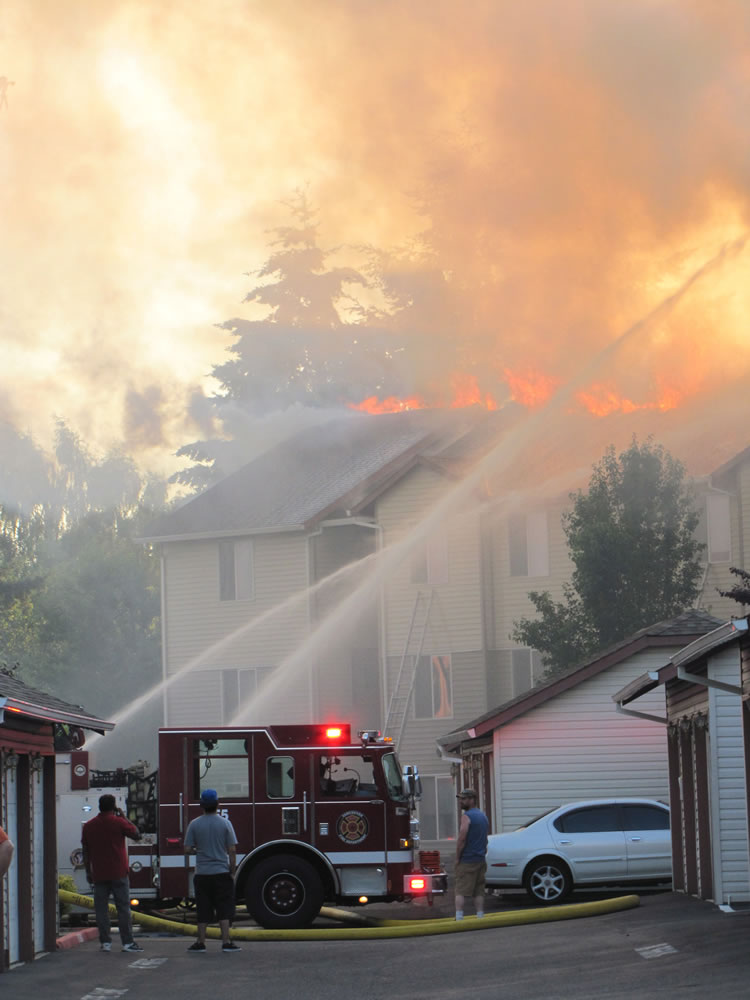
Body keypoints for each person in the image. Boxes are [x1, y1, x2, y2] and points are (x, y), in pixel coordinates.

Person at [81, 794, 144, 953]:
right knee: (123, 909)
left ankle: (106, 943)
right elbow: (137, 835)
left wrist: (89, 871)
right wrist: (124, 817)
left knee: (101, 909)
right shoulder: (119, 822)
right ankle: (128, 943)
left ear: (99, 806)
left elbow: (86, 851)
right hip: (119, 873)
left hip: (99, 873)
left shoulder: (89, 826)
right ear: (114, 806)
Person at [183, 788, 241, 952]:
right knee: (224, 908)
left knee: (203, 908)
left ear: (202, 805)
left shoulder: (194, 824)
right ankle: (226, 942)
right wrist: (232, 871)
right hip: (221, 872)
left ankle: (200, 942)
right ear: (217, 804)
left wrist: (199, 850)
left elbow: (187, 849)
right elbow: (232, 850)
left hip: (202, 873)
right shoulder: (225, 823)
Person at [454, 788, 489, 920]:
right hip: (480, 859)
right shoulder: (483, 816)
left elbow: (462, 838)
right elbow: (485, 838)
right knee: (478, 890)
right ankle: (480, 916)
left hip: (467, 860)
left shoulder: (466, 817)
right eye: (461, 799)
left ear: (471, 800)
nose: (461, 802)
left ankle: (459, 917)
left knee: (460, 890)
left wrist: (457, 858)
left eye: (463, 799)